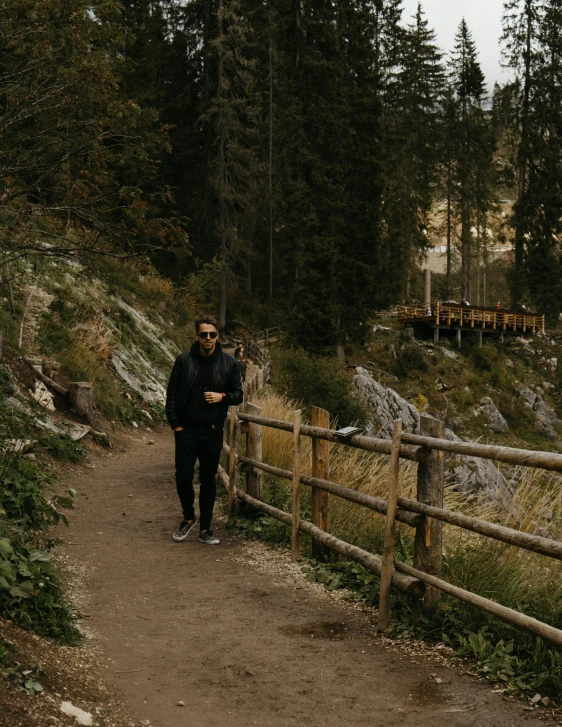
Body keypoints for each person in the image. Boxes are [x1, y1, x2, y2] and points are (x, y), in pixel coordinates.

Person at [166, 314, 243, 545]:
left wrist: (222, 397)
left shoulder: (229, 363)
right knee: (183, 477)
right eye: (203, 334)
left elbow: (238, 395)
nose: (208, 338)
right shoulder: (183, 361)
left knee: (209, 480)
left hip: (212, 431)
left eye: (212, 334)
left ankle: (206, 529)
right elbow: (171, 394)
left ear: (217, 336)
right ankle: (189, 518)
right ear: (197, 335)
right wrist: (176, 425)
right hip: (186, 431)